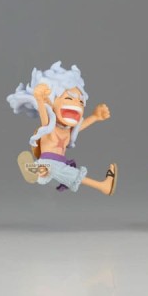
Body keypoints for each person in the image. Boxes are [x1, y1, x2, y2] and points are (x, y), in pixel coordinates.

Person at [7, 61, 117, 195]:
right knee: (69, 174)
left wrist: (95, 116)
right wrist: (40, 99)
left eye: (80, 102)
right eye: (69, 99)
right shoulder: (49, 126)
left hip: (60, 163)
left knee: (63, 172)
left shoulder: (67, 131)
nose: (76, 104)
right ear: (52, 101)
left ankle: (36, 169)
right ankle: (37, 169)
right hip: (50, 162)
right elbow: (43, 113)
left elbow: (80, 127)